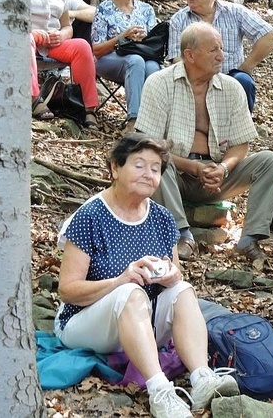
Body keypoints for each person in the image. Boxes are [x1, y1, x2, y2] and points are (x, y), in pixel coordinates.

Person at [54, 133, 239, 418]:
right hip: (85, 320)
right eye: (139, 165)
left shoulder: (163, 218)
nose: (148, 174)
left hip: (141, 321)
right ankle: (160, 391)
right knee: (130, 292)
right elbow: (67, 291)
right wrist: (120, 281)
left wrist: (170, 276)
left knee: (183, 290)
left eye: (155, 169)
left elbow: (175, 273)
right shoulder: (90, 216)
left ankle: (202, 378)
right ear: (116, 168)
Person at [136, 21, 273, 262]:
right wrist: (192, 167)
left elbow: (241, 143)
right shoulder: (159, 83)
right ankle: (182, 236)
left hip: (216, 177)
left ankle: (249, 239)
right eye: (214, 50)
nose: (221, 56)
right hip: (175, 176)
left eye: (222, 49)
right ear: (190, 55)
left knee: (269, 161)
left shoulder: (232, 88)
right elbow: (150, 144)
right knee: (152, 159)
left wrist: (223, 168)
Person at [167, 0, 273, 112]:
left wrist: (246, 67)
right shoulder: (179, 19)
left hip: (230, 74)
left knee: (244, 81)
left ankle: (240, 130)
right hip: (194, 78)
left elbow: (269, 35)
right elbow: (176, 58)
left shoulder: (235, 12)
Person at [32, 0, 99, 129]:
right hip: (27, 41)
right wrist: (36, 35)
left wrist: (62, 34)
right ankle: (35, 98)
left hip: (53, 43)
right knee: (26, 39)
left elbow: (67, 25)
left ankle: (87, 108)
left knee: (81, 46)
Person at [92, 0, 159, 134]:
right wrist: (122, 37)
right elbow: (96, 49)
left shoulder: (146, 10)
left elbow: (155, 42)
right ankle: (133, 122)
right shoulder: (104, 10)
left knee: (153, 68)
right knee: (135, 61)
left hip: (143, 57)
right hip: (109, 59)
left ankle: (152, 125)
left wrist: (144, 37)